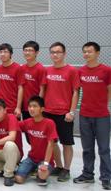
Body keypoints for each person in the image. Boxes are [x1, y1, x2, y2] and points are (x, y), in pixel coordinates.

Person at [74, 42, 111, 189]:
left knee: (104, 148)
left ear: (97, 53)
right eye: (84, 52)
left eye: (89, 51)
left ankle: (106, 177)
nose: (86, 54)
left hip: (102, 115)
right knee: (87, 148)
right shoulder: (81, 71)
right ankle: (88, 174)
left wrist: (102, 104)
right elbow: (77, 91)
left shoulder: (106, 70)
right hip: (84, 115)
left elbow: (109, 90)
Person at [42, 42, 80, 182]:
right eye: (52, 52)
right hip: (48, 112)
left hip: (64, 113)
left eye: (58, 52)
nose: (55, 54)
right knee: (52, 141)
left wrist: (72, 111)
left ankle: (67, 169)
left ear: (64, 53)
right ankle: (58, 166)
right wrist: (41, 108)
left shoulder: (72, 71)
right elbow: (43, 90)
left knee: (67, 143)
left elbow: (76, 92)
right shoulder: (48, 70)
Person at [15, 96, 58, 186]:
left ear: (42, 109)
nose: (31, 109)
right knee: (19, 179)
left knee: (42, 177)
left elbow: (51, 144)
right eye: (30, 106)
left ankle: (38, 170)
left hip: (45, 160)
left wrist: (45, 164)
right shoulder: (27, 122)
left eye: (35, 106)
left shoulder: (49, 123)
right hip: (31, 158)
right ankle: (32, 169)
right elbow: (13, 125)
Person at [20, 41, 46, 144]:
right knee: (29, 136)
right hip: (25, 108)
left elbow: (42, 89)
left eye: (30, 50)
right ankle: (33, 157)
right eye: (25, 50)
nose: (27, 52)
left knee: (38, 136)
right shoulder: (22, 68)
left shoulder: (41, 69)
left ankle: (42, 158)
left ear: (37, 52)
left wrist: (38, 108)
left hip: (35, 108)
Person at [0, 43, 24, 117]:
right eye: (0, 52)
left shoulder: (18, 68)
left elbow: (20, 88)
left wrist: (18, 107)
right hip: (0, 106)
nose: (2, 54)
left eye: (5, 52)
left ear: (11, 54)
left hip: (12, 107)